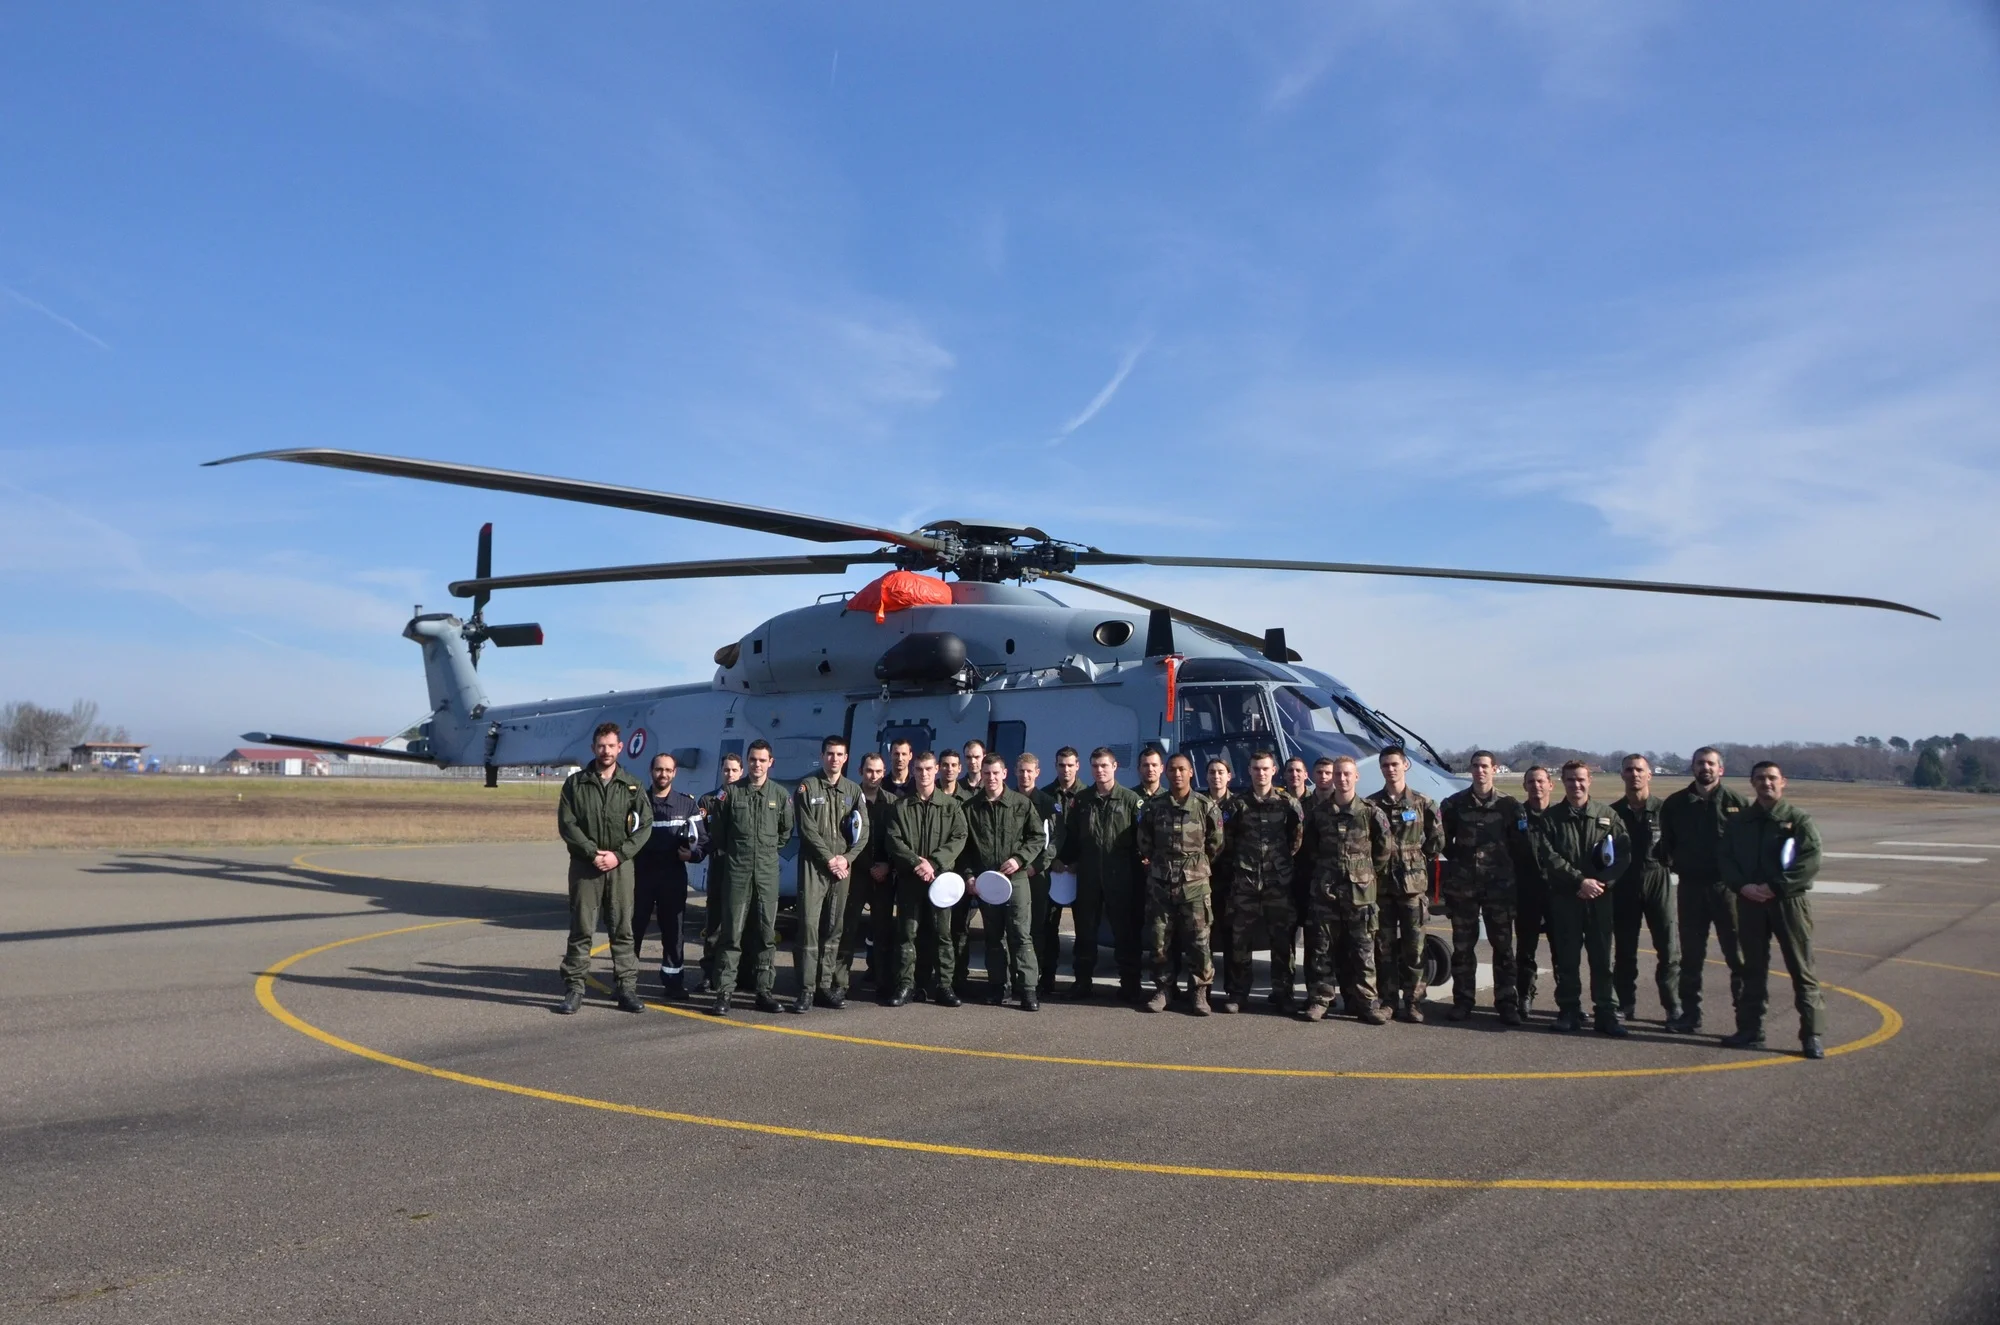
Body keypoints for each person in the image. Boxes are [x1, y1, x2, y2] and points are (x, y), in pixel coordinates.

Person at [1719, 761, 1826, 1058]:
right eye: (1760, 779)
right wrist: (1742, 886)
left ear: (1783, 782)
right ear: (1752, 783)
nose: (1766, 783)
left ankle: (1812, 1034)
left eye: (1772, 778)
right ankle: (1751, 1030)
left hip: (1788, 902)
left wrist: (1777, 887)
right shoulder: (1740, 823)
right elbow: (1726, 860)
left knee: (1801, 968)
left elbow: (1810, 859)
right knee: (1752, 968)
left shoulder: (1798, 819)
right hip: (1750, 902)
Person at [554, 722, 652, 1015]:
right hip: (586, 867)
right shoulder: (575, 784)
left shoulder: (632, 785)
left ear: (620, 748)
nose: (606, 751)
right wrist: (591, 852)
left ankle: (626, 988)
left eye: (611, 745)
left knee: (622, 929)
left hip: (620, 868)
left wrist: (619, 856)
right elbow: (567, 824)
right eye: (601, 745)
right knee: (581, 928)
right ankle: (574, 988)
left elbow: (645, 826)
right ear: (593, 748)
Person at [1534, 760, 1631, 1035]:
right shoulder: (1551, 819)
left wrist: (1600, 884)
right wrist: (1580, 881)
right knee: (1567, 958)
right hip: (1567, 897)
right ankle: (1569, 1010)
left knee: (1602, 959)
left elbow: (1623, 854)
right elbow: (1549, 856)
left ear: (1590, 781)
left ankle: (1606, 1013)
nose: (1576, 785)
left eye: (1581, 780)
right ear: (1562, 782)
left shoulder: (1607, 815)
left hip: (1600, 898)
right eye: (1570, 780)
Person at [1658, 746, 1750, 1033]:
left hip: (1728, 890)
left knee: (1738, 956)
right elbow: (1666, 846)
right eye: (1700, 763)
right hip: (1691, 889)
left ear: (1720, 769)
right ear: (1693, 768)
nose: (1705, 768)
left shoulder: (1737, 803)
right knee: (1691, 956)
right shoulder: (1675, 804)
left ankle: (1746, 1020)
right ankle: (1690, 1014)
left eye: (1710, 764)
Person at [705, 739, 796, 1016]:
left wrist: (765, 853)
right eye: (753, 760)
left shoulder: (780, 795)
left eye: (762, 760)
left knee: (766, 933)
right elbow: (718, 832)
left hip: (767, 873)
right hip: (738, 871)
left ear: (771, 763)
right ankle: (724, 993)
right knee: (731, 933)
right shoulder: (730, 794)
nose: (757, 765)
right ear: (748, 762)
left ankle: (763, 991)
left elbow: (785, 831)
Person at [1297, 755, 1390, 1024]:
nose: (1342, 778)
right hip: (1325, 893)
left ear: (1356, 777)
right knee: (1321, 949)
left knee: (1363, 951)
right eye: (1338, 774)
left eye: (1347, 774)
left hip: (1360, 895)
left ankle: (1366, 1002)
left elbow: (1383, 852)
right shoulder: (1319, 813)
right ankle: (1321, 1000)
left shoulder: (1371, 812)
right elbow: (1309, 849)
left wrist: (1364, 876)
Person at [1437, 751, 1525, 1025]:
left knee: (1503, 948)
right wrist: (1463, 861)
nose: (1479, 771)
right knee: (1463, 948)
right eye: (1475, 766)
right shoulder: (1454, 804)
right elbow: (1443, 841)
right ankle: (1463, 1001)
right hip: (1464, 888)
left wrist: (1500, 865)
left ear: (1493, 769)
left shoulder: (1510, 806)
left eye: (1485, 766)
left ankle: (1507, 1003)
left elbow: (1519, 845)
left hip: (1499, 888)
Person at [1134, 752, 1225, 1014]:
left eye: (1182, 769)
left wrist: (1196, 866)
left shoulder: (1205, 806)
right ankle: (1163, 990)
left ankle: (1199, 992)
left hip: (1195, 885)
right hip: (1161, 883)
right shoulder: (1154, 806)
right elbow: (1144, 841)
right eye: (1172, 769)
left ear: (1190, 772)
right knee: (1160, 940)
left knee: (1199, 941)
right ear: (1166, 773)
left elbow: (1216, 843)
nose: (1177, 774)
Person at [1058, 747, 1147, 1001]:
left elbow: (1142, 839)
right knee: (1085, 932)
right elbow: (1072, 836)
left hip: (1121, 877)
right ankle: (1082, 982)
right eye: (1095, 766)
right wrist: (1067, 861)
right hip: (1088, 877)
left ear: (1115, 767)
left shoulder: (1130, 800)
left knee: (1125, 933)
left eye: (1104, 766)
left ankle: (1130, 985)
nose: (1100, 771)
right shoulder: (1083, 800)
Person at [1218, 750, 1303, 1015]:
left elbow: (1296, 840)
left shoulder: (1288, 804)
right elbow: (1226, 841)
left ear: (1274, 771)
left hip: (1277, 884)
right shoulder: (1237, 805)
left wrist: (1278, 864)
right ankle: (1239, 993)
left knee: (1282, 942)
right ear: (1249, 771)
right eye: (1256, 769)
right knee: (1239, 941)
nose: (1260, 773)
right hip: (1245, 883)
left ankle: (1282, 993)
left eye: (1265, 769)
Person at [886, 751, 970, 1007]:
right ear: (913, 771)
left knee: (942, 934)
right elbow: (893, 840)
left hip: (940, 881)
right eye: (919, 769)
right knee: (907, 934)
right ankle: (906, 985)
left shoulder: (951, 806)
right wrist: (916, 863)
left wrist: (933, 863)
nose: (924, 774)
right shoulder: (901, 807)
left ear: (937, 771)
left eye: (928, 769)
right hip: (910, 881)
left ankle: (944, 986)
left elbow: (959, 838)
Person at [961, 754, 1044, 1010]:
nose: (992, 778)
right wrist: (969, 875)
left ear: (1005, 774)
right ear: (981, 776)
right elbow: (964, 848)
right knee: (993, 936)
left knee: (1020, 934)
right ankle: (998, 986)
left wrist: (1020, 859)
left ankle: (1028, 989)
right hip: (987, 881)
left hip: (1016, 879)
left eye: (996, 773)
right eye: (987, 774)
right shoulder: (971, 808)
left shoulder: (1021, 804)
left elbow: (1037, 837)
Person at [1367, 747, 1443, 1023]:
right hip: (1383, 886)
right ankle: (1388, 1002)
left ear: (1406, 766)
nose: (1390, 769)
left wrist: (1414, 859)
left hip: (1412, 887)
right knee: (1384, 947)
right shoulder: (1371, 804)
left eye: (1395, 764)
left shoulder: (1423, 803)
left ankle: (1413, 1001)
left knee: (1415, 947)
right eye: (1385, 765)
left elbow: (1436, 841)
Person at [791, 735, 867, 1014]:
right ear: (822, 756)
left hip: (842, 868)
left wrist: (845, 859)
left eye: (839, 754)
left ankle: (825, 986)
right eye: (830, 754)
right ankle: (806, 989)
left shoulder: (853, 790)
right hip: (815, 866)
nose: (834, 759)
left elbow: (864, 831)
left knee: (834, 927)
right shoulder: (807, 787)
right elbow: (807, 829)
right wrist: (829, 859)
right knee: (809, 927)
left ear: (846, 758)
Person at [1611, 754, 1680, 1026]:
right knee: (1624, 950)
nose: (1634, 775)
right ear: (1622, 775)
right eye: (1629, 770)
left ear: (1649, 775)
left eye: (1639, 770)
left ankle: (1673, 1006)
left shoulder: (1666, 811)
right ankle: (1625, 1003)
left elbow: (1680, 844)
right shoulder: (1613, 813)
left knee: (1668, 949)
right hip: (1625, 885)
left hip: (1657, 881)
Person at [633, 751, 704, 1000]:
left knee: (674, 932)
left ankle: (673, 982)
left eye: (667, 770)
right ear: (651, 771)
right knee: (633, 930)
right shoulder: (637, 801)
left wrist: (692, 856)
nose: (662, 774)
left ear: (675, 773)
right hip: (640, 877)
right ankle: (626, 982)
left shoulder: (687, 804)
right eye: (658, 769)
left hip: (672, 877)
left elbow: (702, 840)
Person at [835, 751, 896, 1001]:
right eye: (869, 770)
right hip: (856, 874)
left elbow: (899, 839)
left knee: (883, 932)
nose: (874, 775)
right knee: (847, 929)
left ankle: (883, 983)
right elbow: (841, 838)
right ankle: (839, 983)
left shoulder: (892, 802)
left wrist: (888, 866)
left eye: (878, 771)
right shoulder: (848, 798)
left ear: (884, 773)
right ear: (860, 771)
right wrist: (866, 865)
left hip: (884, 875)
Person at [1027, 748, 1085, 996]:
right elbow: (1042, 834)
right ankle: (1046, 977)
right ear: (1056, 766)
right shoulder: (1045, 795)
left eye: (1070, 765)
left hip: (1081, 869)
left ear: (1077, 766)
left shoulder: (1087, 796)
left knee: (1084, 927)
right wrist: (1055, 860)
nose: (1066, 769)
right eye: (1061, 765)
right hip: (1053, 867)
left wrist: (1080, 862)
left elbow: (1092, 835)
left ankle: (1082, 980)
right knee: (1048, 926)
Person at [695, 751, 744, 994]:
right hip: (720, 866)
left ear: (741, 772)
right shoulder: (708, 801)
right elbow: (701, 835)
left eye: (735, 770)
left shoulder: (749, 798)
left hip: (744, 868)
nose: (730, 774)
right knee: (714, 921)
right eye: (726, 769)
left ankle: (739, 973)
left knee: (740, 922)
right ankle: (709, 972)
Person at [1513, 765, 1555, 1017]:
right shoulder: (1516, 815)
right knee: (1525, 950)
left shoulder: (1561, 815)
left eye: (1541, 781)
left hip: (1557, 893)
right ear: (1525, 786)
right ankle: (1525, 996)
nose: (1536, 786)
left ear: (1550, 784)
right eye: (1531, 782)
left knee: (1563, 949)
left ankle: (1568, 1001)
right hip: (1526, 892)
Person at [1204, 757, 1241, 1005]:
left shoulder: (1239, 805)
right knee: (1202, 935)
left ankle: (1233, 990)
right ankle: (1202, 988)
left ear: (1230, 776)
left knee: (1232, 936)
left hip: (1231, 879)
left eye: (1221, 772)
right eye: (1212, 772)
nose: (1216, 776)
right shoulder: (1199, 802)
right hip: (1202, 877)